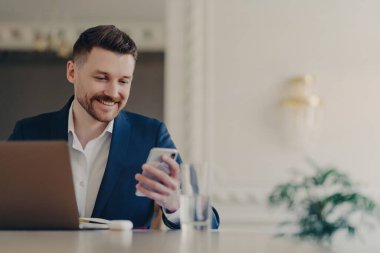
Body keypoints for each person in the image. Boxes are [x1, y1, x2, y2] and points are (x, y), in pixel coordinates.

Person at [8, 25, 219, 229]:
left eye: (124, 81)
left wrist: (174, 205)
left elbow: (210, 222)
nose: (113, 92)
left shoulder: (151, 135)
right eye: (101, 78)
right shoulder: (28, 133)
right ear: (72, 72)